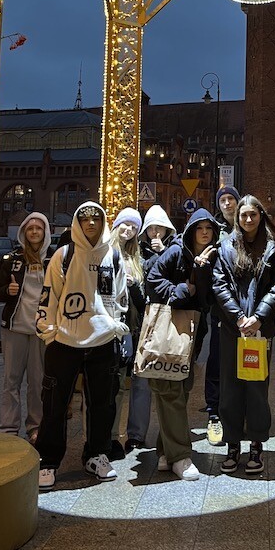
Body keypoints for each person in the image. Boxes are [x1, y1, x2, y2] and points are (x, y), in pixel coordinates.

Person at [35, 202, 129, 490]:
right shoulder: (64, 255)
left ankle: (97, 454)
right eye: (84, 218)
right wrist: (50, 333)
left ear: (103, 222)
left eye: (96, 218)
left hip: (102, 341)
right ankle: (48, 460)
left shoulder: (113, 256)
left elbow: (120, 296)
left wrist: (115, 327)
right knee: (55, 404)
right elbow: (49, 296)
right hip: (64, 342)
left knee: (102, 404)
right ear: (77, 223)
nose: (90, 223)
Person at [212, 195, 275, 475]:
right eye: (243, 215)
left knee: (257, 389)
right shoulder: (226, 247)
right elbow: (219, 285)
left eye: (253, 215)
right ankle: (232, 444)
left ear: (260, 216)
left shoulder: (273, 248)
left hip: (260, 331)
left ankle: (256, 444)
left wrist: (258, 318)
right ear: (238, 218)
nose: (247, 219)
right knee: (230, 389)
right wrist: (239, 317)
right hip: (233, 329)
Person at [146, 207, 219, 480]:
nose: (204, 233)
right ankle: (179, 456)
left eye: (209, 228)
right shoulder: (176, 251)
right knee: (170, 389)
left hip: (193, 332)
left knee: (182, 387)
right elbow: (153, 279)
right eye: (200, 228)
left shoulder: (213, 256)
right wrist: (180, 290)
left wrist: (201, 269)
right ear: (191, 231)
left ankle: (165, 450)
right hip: (169, 328)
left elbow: (208, 298)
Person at [0, 212, 54, 443]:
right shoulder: (13, 260)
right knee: (11, 381)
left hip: (41, 330)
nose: (34, 232)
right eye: (30, 229)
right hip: (14, 328)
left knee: (37, 382)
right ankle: (9, 428)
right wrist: (7, 291)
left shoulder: (54, 259)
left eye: (38, 228)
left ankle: (35, 426)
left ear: (45, 232)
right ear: (23, 233)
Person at [108, 207, 152, 455]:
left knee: (141, 383)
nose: (129, 230)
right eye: (125, 224)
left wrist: (133, 285)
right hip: (114, 328)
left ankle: (136, 435)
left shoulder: (138, 259)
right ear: (116, 226)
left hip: (137, 328)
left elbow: (144, 299)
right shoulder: (105, 254)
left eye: (134, 227)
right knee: (116, 385)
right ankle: (112, 436)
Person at [205, 185, 241, 446]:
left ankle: (239, 411)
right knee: (217, 358)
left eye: (231, 199)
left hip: (244, 307)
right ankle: (214, 412)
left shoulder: (247, 226)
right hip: (220, 306)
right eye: (223, 200)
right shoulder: (214, 230)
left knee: (244, 361)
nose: (227, 203)